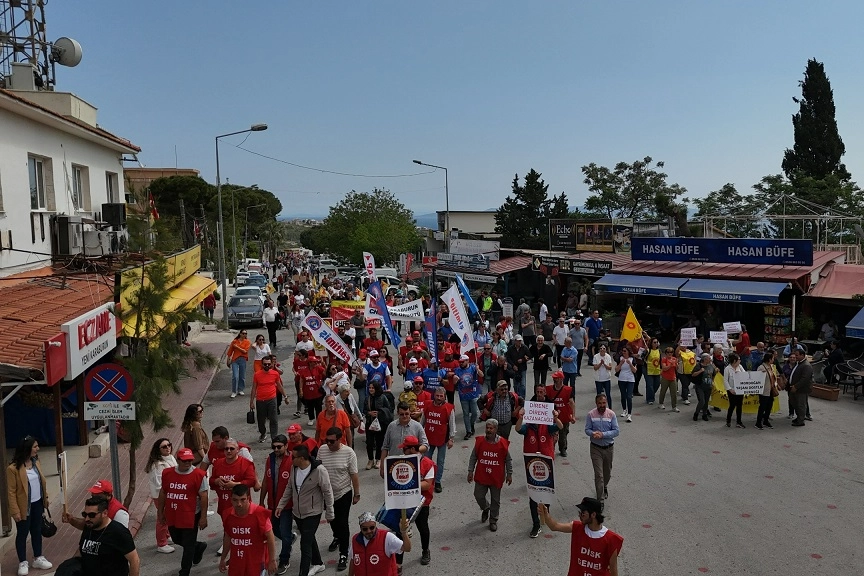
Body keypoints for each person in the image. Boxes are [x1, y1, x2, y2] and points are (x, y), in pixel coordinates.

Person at [275, 444, 334, 576]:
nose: (291, 459)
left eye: (293, 457)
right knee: (309, 538)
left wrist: (330, 512)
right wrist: (281, 505)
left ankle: (303, 573)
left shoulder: (319, 470)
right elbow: (289, 488)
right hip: (298, 513)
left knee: (305, 544)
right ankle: (318, 563)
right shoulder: (294, 468)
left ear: (301, 458)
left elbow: (328, 492)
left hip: (313, 513)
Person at [515, 390, 562, 538]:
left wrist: (555, 417)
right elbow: (517, 429)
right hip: (532, 466)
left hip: (546, 465)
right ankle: (535, 524)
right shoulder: (527, 427)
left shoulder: (547, 426)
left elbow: (560, 427)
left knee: (546, 494)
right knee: (533, 495)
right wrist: (520, 417)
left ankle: (545, 515)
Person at [538, 498, 623, 576]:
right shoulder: (577, 527)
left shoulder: (611, 539)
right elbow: (555, 526)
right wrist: (546, 514)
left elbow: (613, 569)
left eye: (583, 513)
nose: (580, 516)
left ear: (593, 515)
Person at [157, 448, 209, 576]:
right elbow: (163, 492)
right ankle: (198, 546)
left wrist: (203, 517)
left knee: (188, 545)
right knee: (177, 538)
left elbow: (204, 496)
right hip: (173, 513)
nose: (188, 463)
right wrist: (160, 511)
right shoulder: (167, 473)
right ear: (178, 460)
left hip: (191, 515)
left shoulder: (198, 475)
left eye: (190, 460)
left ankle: (184, 571)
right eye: (185, 461)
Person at [7, 436, 51, 576]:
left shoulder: (36, 462)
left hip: (37, 503)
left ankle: (38, 557)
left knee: (36, 531)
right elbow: (11, 492)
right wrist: (15, 511)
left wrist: (46, 498)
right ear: (27, 449)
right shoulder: (13, 469)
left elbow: (41, 481)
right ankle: (22, 561)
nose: (38, 449)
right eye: (35, 447)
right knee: (22, 533)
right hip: (23, 507)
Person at [318, 426, 360, 572]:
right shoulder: (322, 450)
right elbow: (318, 470)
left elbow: (354, 474)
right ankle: (337, 536)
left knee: (342, 522)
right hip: (326, 494)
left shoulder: (349, 453)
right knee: (332, 519)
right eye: (326, 441)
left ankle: (344, 553)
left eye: (331, 441)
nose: (328, 444)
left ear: (339, 439)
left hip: (344, 492)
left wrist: (357, 493)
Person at [220, 484, 277, 576]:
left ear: (248, 498)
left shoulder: (260, 513)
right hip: (237, 563)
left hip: (256, 563)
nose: (239, 504)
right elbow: (227, 537)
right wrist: (223, 558)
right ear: (230, 499)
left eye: (242, 500)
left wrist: (272, 560)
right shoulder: (227, 515)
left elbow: (270, 537)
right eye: (235, 500)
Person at [467, 419, 513, 532]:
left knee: (495, 500)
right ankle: (486, 508)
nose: (488, 430)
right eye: (487, 427)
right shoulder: (480, 442)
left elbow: (508, 460)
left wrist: (509, 474)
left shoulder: (502, 443)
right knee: (478, 495)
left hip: (496, 477)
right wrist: (470, 471)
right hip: (482, 475)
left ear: (496, 429)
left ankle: (493, 520)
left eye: (491, 428)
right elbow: (473, 457)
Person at [258, 435, 294, 575]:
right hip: (272, 504)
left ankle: (284, 559)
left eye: (279, 446)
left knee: (284, 533)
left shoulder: (292, 460)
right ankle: (290, 539)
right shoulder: (270, 459)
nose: (276, 449)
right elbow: (266, 481)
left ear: (286, 446)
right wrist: (261, 501)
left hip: (286, 506)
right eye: (274, 447)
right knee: (273, 531)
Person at [78, 497, 140, 576]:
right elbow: (81, 550)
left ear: (105, 513)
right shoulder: (89, 527)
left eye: (91, 515)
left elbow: (134, 560)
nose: (87, 519)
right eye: (84, 514)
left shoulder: (118, 532)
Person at [399, 436, 436, 566]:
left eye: (405, 448)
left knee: (423, 528)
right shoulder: (401, 461)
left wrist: (409, 483)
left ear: (413, 449)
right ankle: (398, 562)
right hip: (403, 500)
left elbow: (427, 484)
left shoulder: (427, 463)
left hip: (421, 503)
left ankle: (425, 550)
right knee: (400, 530)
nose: (403, 451)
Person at [347, 512, 411, 576]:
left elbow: (407, 548)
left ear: (375, 525)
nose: (369, 531)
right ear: (360, 528)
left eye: (372, 527)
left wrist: (404, 532)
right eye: (365, 529)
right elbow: (353, 561)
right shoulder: (355, 539)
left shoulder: (387, 537)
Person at [585, 394, 619, 508]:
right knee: (599, 475)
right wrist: (592, 433)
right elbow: (587, 429)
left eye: (604, 403)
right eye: (600, 403)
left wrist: (603, 435)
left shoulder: (611, 414)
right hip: (595, 448)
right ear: (596, 403)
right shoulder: (591, 414)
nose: (602, 405)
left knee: (607, 473)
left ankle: (604, 486)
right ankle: (600, 501)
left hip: (608, 448)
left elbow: (616, 431)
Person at [379, 402, 429, 477]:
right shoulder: (391, 426)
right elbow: (385, 447)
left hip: (412, 465)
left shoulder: (417, 426)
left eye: (407, 414)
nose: (405, 416)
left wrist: (415, 449)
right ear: (397, 413)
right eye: (402, 414)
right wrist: (382, 466)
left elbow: (426, 446)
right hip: (394, 465)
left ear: (410, 413)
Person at [210, 439, 258, 517]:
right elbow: (211, 481)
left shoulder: (246, 463)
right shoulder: (217, 463)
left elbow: (252, 481)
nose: (229, 451)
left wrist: (235, 484)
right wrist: (216, 481)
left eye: (232, 448)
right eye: (226, 448)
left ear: (237, 450)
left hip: (242, 507)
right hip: (224, 506)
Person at [146, 437, 177, 554]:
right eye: (164, 447)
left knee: (167, 517)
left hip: (168, 493)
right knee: (162, 519)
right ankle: (161, 543)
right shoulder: (157, 465)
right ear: (158, 450)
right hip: (161, 496)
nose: (168, 448)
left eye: (169, 445)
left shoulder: (170, 458)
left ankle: (167, 536)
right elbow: (160, 484)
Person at [422, 387, 456, 493]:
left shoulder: (449, 408)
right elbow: (423, 420)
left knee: (440, 462)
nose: (439, 398)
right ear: (434, 395)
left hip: (442, 438)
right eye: (437, 395)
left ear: (444, 396)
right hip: (428, 438)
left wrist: (451, 438)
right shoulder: (427, 405)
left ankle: (437, 482)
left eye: (441, 396)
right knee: (426, 460)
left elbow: (452, 424)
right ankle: (426, 479)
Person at [250, 357, 287, 442]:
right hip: (260, 400)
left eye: (269, 364)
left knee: (273, 419)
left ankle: (274, 437)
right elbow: (254, 388)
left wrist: (285, 397)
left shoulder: (275, 374)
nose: (267, 366)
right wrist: (251, 402)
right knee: (261, 420)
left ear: (271, 364)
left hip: (272, 399)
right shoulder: (257, 375)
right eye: (265, 364)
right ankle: (263, 433)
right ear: (262, 364)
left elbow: (279, 386)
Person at [364, 381, 393, 470]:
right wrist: (369, 413)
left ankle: (378, 459)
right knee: (369, 443)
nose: (371, 389)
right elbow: (364, 410)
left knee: (379, 442)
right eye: (370, 388)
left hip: (380, 423)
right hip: (370, 423)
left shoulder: (383, 397)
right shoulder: (367, 398)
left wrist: (379, 413)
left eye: (373, 388)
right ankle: (370, 459)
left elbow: (389, 410)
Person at [454, 354, 483, 439]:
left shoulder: (473, 368)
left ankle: (471, 424)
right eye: (460, 362)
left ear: (467, 361)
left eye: (463, 362)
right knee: (466, 414)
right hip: (463, 395)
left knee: (475, 413)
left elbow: (482, 375)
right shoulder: (457, 370)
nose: (461, 363)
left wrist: (478, 370)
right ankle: (468, 431)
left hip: (473, 394)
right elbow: (454, 383)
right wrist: (455, 379)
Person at [789, 348, 814, 427]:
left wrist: (796, 386)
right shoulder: (798, 363)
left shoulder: (806, 365)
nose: (795, 357)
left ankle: (800, 420)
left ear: (802, 355)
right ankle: (799, 417)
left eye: (797, 355)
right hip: (794, 388)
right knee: (794, 403)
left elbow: (805, 379)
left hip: (801, 389)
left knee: (800, 404)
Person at [756, 351, 779, 430]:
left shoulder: (771, 367)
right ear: (769, 359)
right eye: (772, 358)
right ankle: (758, 422)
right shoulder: (761, 367)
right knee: (762, 407)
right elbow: (757, 379)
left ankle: (766, 420)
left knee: (769, 406)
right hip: (764, 391)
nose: (773, 359)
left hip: (771, 390)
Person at [691, 353, 717, 423]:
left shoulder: (711, 366)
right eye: (709, 358)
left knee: (706, 401)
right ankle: (696, 413)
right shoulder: (698, 366)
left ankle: (704, 414)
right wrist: (700, 371)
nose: (710, 359)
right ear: (705, 359)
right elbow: (693, 374)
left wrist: (713, 381)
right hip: (700, 386)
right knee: (702, 401)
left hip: (708, 386)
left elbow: (714, 374)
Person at [723, 352, 746, 428]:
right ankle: (728, 421)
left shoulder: (740, 367)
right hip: (732, 390)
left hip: (740, 389)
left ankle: (739, 421)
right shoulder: (727, 369)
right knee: (732, 405)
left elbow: (745, 375)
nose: (740, 361)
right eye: (738, 359)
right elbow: (725, 380)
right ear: (734, 361)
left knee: (739, 406)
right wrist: (730, 389)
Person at [227, 331, 251, 398]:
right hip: (235, 360)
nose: (244, 335)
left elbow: (245, 351)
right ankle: (234, 391)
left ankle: (240, 389)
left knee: (242, 376)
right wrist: (228, 360)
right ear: (240, 334)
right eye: (243, 333)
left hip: (243, 359)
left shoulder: (247, 342)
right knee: (235, 376)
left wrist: (237, 347)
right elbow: (230, 351)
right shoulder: (235, 341)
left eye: (245, 333)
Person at [616, 348, 636, 423]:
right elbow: (616, 370)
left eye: (625, 351)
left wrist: (630, 364)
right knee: (623, 396)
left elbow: (634, 370)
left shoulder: (632, 359)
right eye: (622, 351)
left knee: (629, 396)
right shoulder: (620, 359)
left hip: (630, 379)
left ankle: (629, 414)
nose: (623, 352)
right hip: (621, 379)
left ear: (628, 352)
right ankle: (624, 410)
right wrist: (621, 363)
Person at [658, 346, 680, 412]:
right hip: (665, 378)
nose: (670, 354)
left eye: (671, 352)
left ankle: (674, 406)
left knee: (674, 393)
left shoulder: (674, 359)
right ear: (666, 353)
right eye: (668, 352)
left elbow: (677, 368)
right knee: (663, 391)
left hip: (673, 377)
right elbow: (664, 368)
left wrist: (677, 364)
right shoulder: (664, 359)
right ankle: (661, 403)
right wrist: (670, 365)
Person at [643, 337, 662, 405]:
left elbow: (661, 360)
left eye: (657, 342)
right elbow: (642, 358)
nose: (656, 344)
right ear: (651, 343)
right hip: (648, 370)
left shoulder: (659, 351)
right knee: (650, 385)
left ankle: (650, 394)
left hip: (656, 370)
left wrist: (661, 369)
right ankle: (650, 399)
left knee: (657, 383)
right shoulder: (648, 351)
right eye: (654, 342)